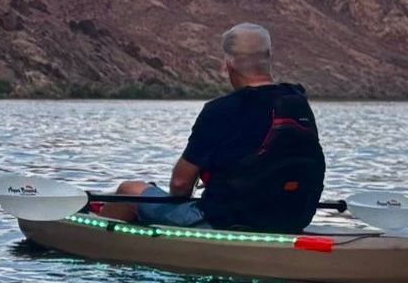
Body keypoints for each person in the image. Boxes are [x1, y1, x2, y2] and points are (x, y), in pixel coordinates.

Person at [100, 23, 326, 232]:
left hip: (223, 222)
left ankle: (96, 239)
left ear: (228, 64)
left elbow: (180, 185)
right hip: (291, 220)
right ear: (269, 57)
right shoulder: (297, 102)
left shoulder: (220, 110)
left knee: (129, 191)